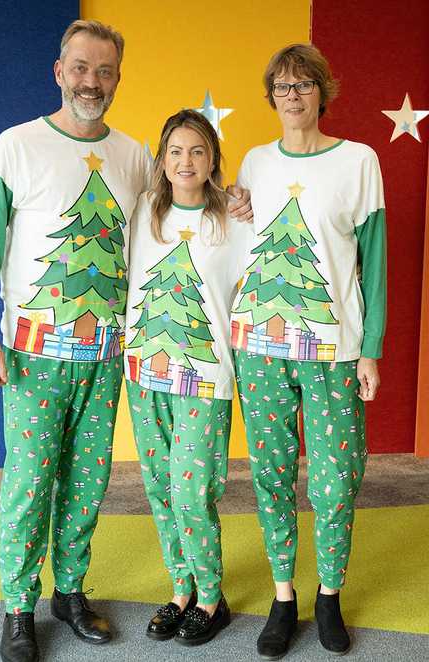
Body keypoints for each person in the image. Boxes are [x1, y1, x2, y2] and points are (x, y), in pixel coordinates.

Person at [0, 19, 251, 662]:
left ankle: (70, 590)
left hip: (105, 356)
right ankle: (17, 606)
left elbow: (180, 208)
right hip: (33, 355)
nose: (93, 81)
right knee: (31, 482)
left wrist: (235, 199)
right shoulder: (17, 147)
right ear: (59, 71)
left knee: (87, 482)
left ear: (117, 79)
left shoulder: (130, 157)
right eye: (82, 68)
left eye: (106, 71)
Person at [230, 43, 386, 658]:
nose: (292, 96)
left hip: (333, 348)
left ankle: (329, 594)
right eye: (282, 87)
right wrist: (235, 206)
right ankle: (283, 595)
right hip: (260, 345)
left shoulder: (359, 161)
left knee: (335, 479)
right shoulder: (254, 161)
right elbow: (244, 242)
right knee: (270, 474)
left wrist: (369, 349)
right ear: (271, 97)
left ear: (323, 91)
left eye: (303, 85)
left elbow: (372, 263)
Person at [124, 109, 253, 646]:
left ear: (213, 160)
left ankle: (210, 595)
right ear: (162, 159)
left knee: (191, 490)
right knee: (158, 487)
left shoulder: (234, 220)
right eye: (175, 151)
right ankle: (181, 589)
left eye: (197, 151)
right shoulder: (142, 215)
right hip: (145, 372)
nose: (185, 161)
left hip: (204, 378)